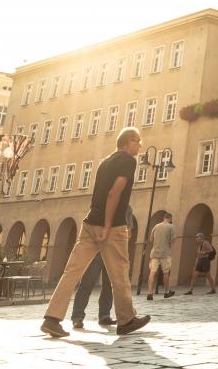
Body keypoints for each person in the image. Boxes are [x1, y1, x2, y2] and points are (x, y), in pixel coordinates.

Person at [40, 128, 150, 338]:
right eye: (138, 141)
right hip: (111, 226)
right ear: (128, 142)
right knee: (119, 273)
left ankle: (51, 319)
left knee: (72, 271)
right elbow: (113, 193)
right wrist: (108, 225)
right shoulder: (128, 161)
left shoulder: (104, 162)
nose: (140, 145)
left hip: (89, 222)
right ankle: (126, 320)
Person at [71, 207, 136, 328]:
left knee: (108, 285)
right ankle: (77, 317)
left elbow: (129, 232)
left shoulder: (126, 208)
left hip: (112, 252)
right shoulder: (101, 203)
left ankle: (104, 315)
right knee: (86, 283)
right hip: (96, 252)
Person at [146, 212, 176, 299]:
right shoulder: (171, 227)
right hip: (165, 253)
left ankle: (149, 293)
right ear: (170, 218)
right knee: (165, 273)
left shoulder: (156, 226)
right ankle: (166, 292)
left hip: (154, 253)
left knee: (152, 273)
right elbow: (173, 239)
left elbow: (151, 239)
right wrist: (167, 242)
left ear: (163, 218)